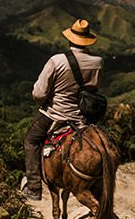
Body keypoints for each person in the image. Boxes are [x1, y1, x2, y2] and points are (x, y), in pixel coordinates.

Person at [21, 19, 104, 201]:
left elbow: (39, 92)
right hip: (83, 117)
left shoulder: (57, 60)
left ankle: (34, 187)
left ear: (70, 39)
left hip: (54, 115)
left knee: (31, 141)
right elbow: (94, 88)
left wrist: (45, 100)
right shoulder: (98, 62)